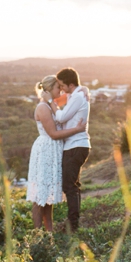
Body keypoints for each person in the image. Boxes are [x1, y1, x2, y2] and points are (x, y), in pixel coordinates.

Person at [27, 75, 86, 230]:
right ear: (48, 89)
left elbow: (72, 96)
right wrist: (77, 130)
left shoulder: (51, 105)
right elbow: (53, 134)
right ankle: (38, 234)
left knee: (48, 196)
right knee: (40, 195)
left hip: (54, 150)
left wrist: (84, 89)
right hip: (46, 150)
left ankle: (49, 232)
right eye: (57, 87)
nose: (60, 89)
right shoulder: (42, 107)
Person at [52, 67, 91, 230]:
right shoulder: (75, 94)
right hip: (74, 146)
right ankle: (73, 221)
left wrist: (49, 103)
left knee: (69, 186)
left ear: (70, 84)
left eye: (62, 85)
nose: (61, 89)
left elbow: (61, 118)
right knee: (71, 184)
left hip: (76, 146)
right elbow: (63, 98)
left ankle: (73, 225)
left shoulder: (78, 98)